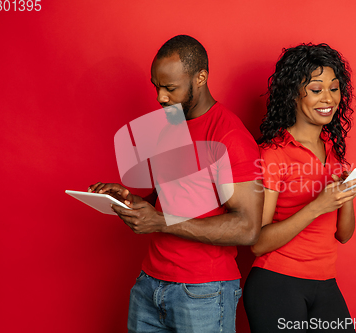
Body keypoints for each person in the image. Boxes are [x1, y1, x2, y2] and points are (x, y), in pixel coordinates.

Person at [88, 35, 263, 333]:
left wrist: (159, 222)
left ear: (201, 77)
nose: (160, 97)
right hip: (149, 284)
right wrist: (130, 200)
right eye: (157, 86)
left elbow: (248, 228)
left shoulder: (230, 136)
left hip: (203, 292)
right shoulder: (169, 126)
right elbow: (168, 197)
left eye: (170, 88)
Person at [243, 43, 356, 332]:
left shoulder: (333, 150)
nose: (328, 98)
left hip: (325, 282)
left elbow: (343, 235)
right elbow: (258, 242)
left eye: (334, 88)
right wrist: (317, 206)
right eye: (316, 89)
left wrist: (345, 196)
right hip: (276, 282)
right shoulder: (274, 153)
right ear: (293, 94)